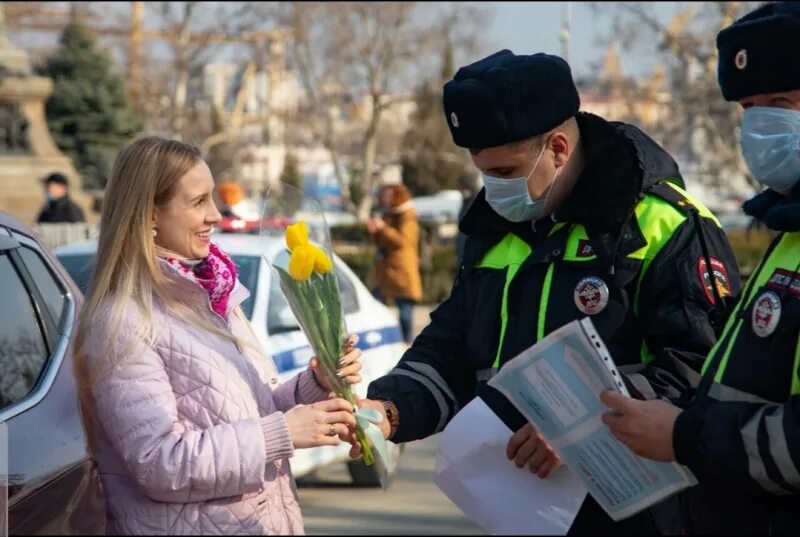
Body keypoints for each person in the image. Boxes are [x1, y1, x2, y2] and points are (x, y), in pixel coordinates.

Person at [356, 50, 742, 535]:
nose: (492, 190)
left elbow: (704, 366)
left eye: (502, 173)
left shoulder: (663, 225)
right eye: (482, 172)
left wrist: (582, 431)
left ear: (558, 148)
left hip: (642, 515)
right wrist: (390, 409)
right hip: (520, 508)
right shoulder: (493, 229)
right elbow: (452, 345)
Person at [73, 136, 364, 535]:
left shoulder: (213, 294)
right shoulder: (123, 319)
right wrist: (284, 432)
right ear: (150, 215)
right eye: (198, 202)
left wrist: (315, 386)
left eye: (212, 199)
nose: (215, 215)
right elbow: (160, 463)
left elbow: (244, 411)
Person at [601, 3, 800, 534]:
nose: (760, 127)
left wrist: (685, 437)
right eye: (748, 108)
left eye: (780, 103)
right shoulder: (788, 232)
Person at [367, 183, 423, 344]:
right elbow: (384, 242)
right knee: (376, 304)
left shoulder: (408, 215)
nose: (384, 199)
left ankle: (407, 341)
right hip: (386, 272)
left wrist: (383, 227)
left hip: (402, 271)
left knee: (405, 309)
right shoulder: (389, 214)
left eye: (388, 196)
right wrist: (375, 232)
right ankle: (382, 340)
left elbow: (403, 241)